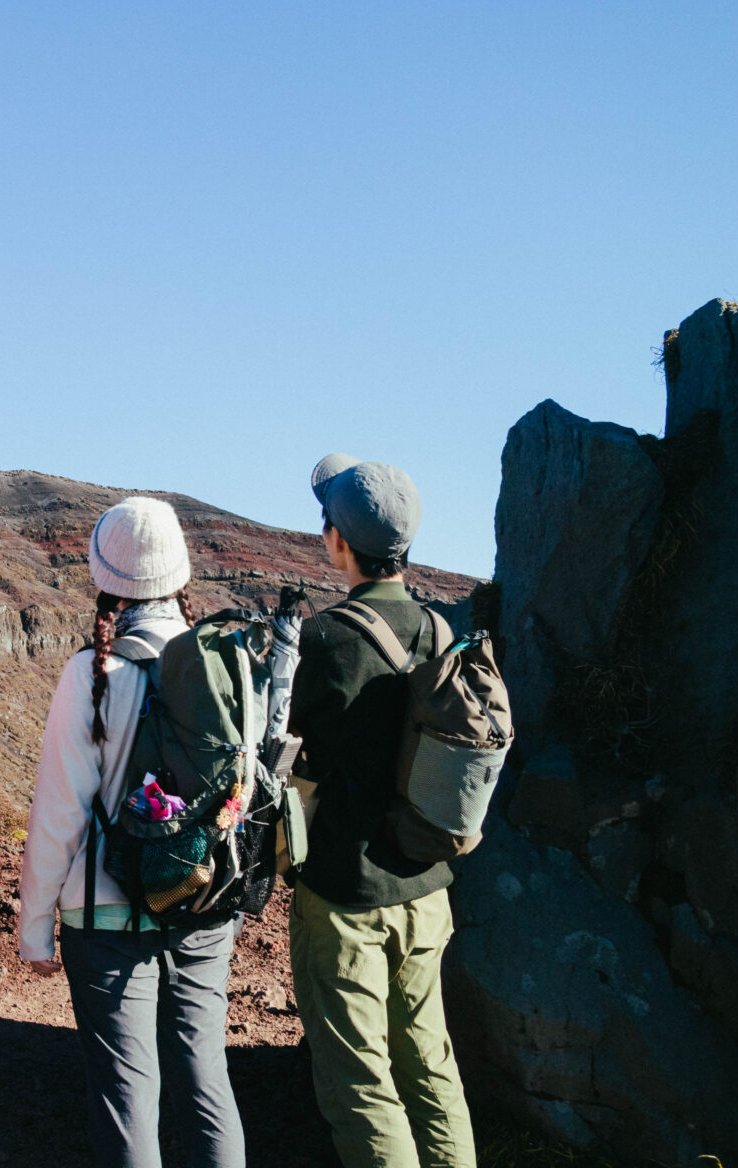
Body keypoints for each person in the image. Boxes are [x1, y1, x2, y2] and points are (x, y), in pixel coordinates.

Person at [16, 497, 245, 1168]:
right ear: (179, 574)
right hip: (203, 904)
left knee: (127, 1093)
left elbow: (58, 812)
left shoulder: (91, 675)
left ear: (106, 577)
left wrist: (34, 928)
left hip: (105, 918)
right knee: (207, 1081)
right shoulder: (225, 669)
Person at [287, 454, 475, 1168]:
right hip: (426, 891)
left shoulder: (325, 640)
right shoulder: (441, 630)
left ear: (338, 539)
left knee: (360, 1081)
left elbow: (294, 757)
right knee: (430, 1065)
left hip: (346, 897)